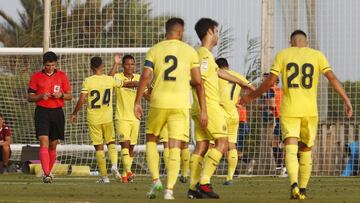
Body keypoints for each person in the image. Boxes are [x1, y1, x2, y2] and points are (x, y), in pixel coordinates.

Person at [240, 30, 353, 200]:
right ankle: (304, 189)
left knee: (290, 149)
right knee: (306, 150)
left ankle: (293, 184)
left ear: (291, 42)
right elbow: (332, 78)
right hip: (310, 111)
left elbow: (271, 81)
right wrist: (346, 100)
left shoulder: (283, 54)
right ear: (305, 42)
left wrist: (250, 97)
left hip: (289, 110)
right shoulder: (317, 55)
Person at [134, 17, 207, 200]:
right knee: (175, 145)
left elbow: (145, 77)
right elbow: (198, 82)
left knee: (151, 138)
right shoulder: (190, 51)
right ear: (180, 32)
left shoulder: (155, 50)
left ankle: (156, 180)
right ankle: (169, 190)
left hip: (158, 101)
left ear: (167, 31)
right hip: (180, 104)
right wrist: (204, 109)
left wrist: (137, 102)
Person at [188, 18, 254, 199]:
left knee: (201, 145)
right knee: (222, 144)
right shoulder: (202, 54)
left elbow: (218, 72)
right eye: (216, 31)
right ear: (209, 31)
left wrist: (242, 82)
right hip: (208, 106)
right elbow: (198, 82)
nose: (217, 35)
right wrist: (204, 109)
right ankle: (204, 183)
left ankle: (193, 188)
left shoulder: (206, 55)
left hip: (200, 107)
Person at [71, 56, 122, 183]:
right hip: (107, 118)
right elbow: (119, 82)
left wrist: (74, 113)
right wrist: (116, 64)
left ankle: (104, 177)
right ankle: (114, 165)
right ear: (102, 65)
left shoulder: (88, 81)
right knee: (111, 142)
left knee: (99, 147)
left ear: (91, 67)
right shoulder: (109, 80)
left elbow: (82, 99)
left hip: (94, 118)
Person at [28, 51, 72, 183]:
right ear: (43, 64)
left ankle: (48, 171)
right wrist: (41, 96)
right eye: (48, 65)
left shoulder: (62, 76)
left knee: (53, 145)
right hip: (42, 112)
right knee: (43, 141)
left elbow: (70, 96)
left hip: (57, 112)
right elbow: (30, 97)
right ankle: (46, 174)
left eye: (52, 65)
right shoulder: (36, 77)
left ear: (55, 64)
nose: (50, 67)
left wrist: (61, 95)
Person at [215, 58, 254, 185]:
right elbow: (252, 87)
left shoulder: (216, 75)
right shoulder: (238, 75)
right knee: (232, 145)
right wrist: (243, 100)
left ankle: (204, 178)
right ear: (228, 65)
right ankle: (230, 177)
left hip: (220, 114)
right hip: (234, 115)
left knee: (213, 144)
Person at [109, 54, 140, 183]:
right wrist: (115, 63)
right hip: (121, 117)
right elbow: (108, 79)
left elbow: (145, 93)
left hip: (135, 118)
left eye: (132, 64)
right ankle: (129, 171)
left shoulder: (139, 78)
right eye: (127, 64)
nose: (130, 67)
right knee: (125, 145)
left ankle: (125, 176)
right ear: (123, 66)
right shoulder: (118, 77)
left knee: (131, 147)